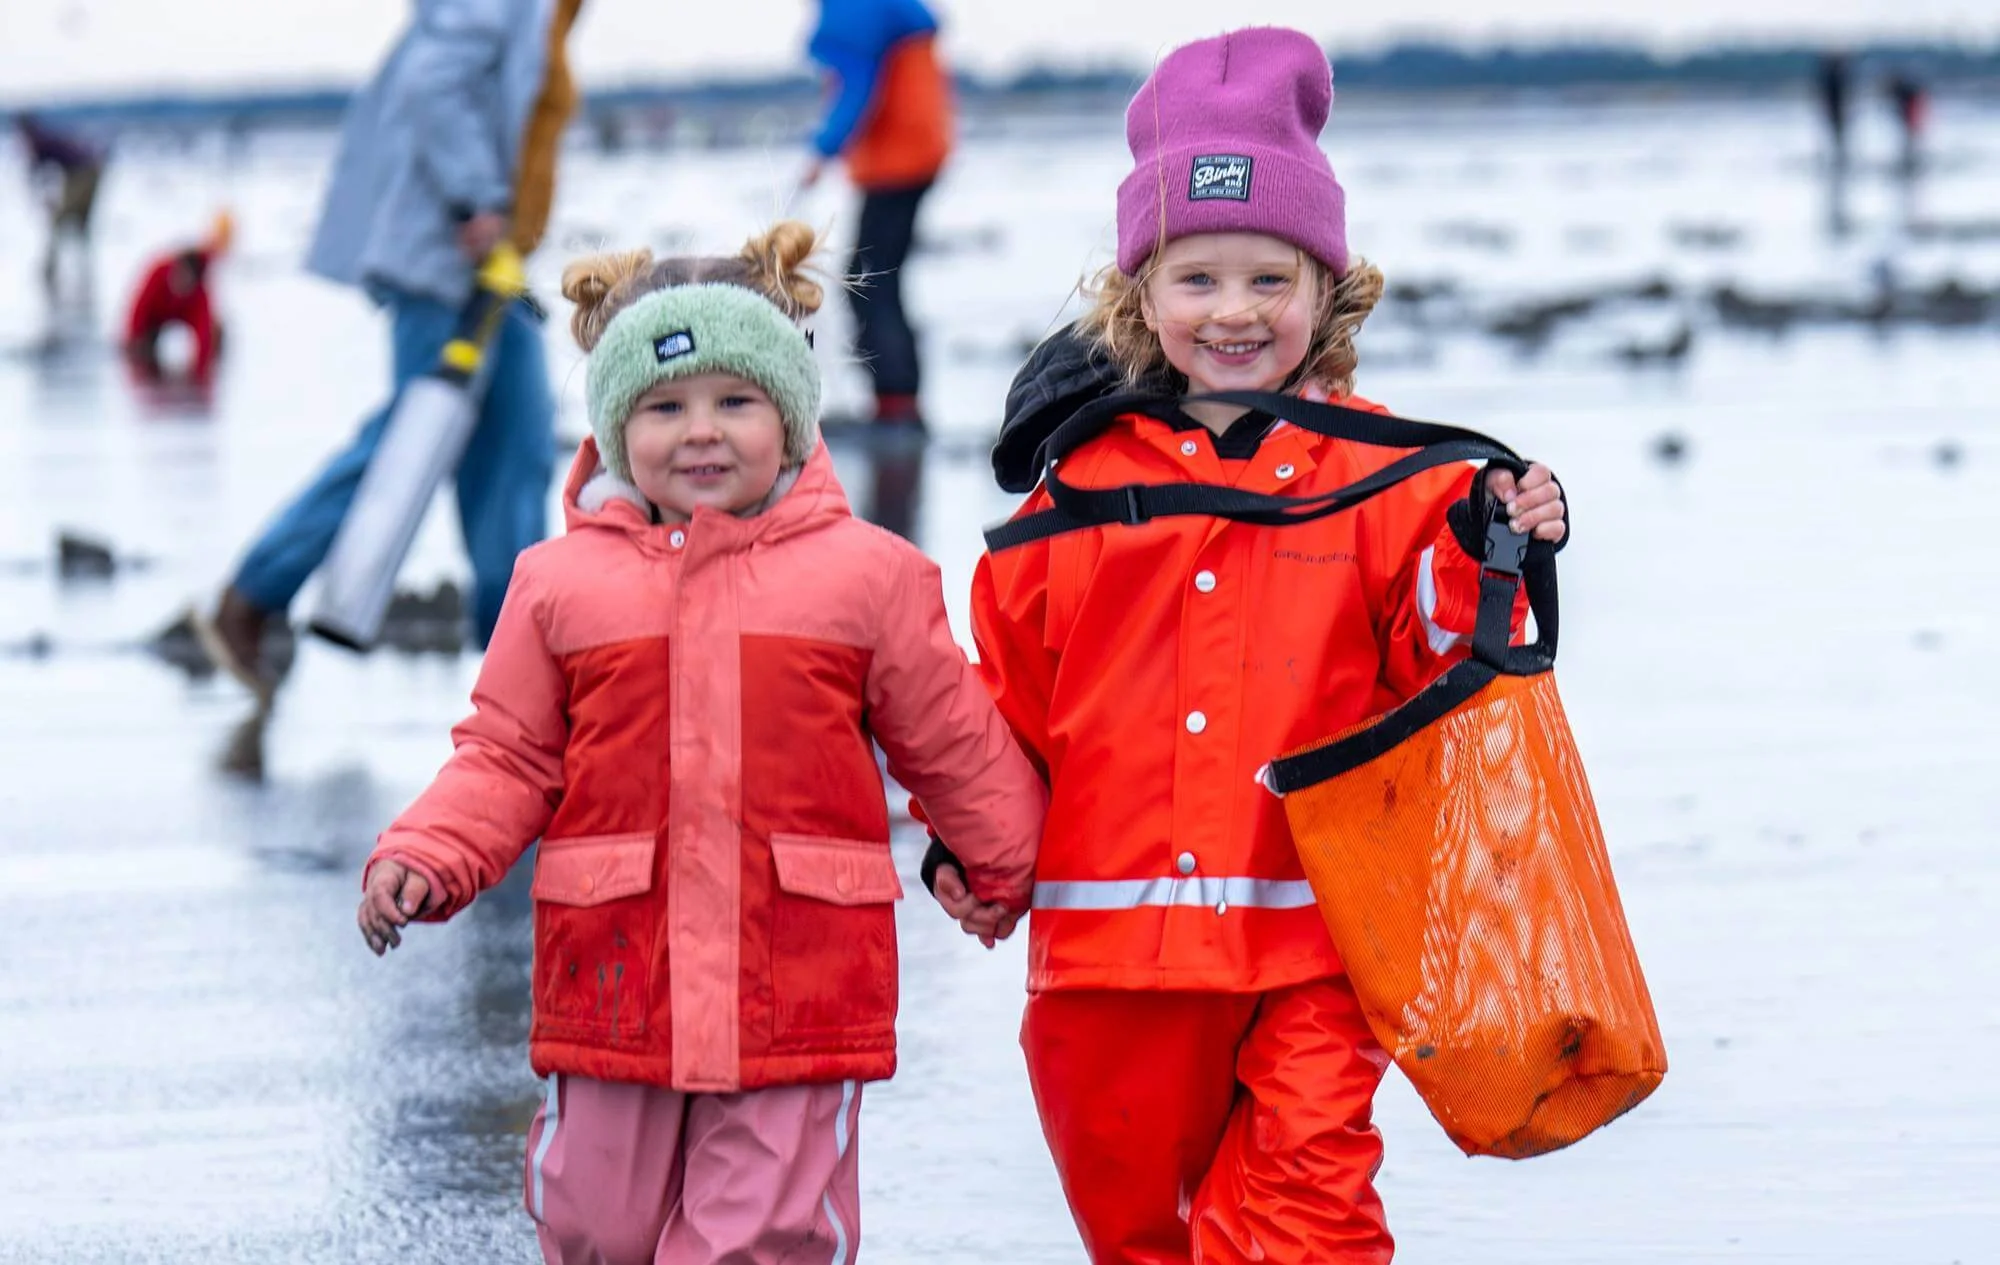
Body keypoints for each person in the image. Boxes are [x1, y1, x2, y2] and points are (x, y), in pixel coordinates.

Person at [926, 28, 1571, 1263]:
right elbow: (1001, 709)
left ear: (1325, 289)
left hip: (1322, 939)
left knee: (1306, 1217)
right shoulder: (1070, 499)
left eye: (1270, 279)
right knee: (1143, 1233)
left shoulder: (1395, 478)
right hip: (1105, 953)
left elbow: (1453, 671)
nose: (1234, 312)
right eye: (1197, 279)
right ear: (1139, 294)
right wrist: (970, 847)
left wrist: (1501, 541)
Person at [355, 221, 1046, 1265]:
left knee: (757, 1231)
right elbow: (506, 753)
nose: (701, 433)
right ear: (616, 423)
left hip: (798, 975)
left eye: (736, 401)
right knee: (594, 1221)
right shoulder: (557, 584)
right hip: (615, 974)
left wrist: (1005, 860)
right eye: (665, 407)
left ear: (792, 413)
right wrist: (426, 851)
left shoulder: (867, 576)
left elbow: (946, 736)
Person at [192, 0, 586, 697]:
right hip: (444, 264)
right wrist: (475, 200)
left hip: (497, 270)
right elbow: (431, 84)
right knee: (410, 441)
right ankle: (252, 595)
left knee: (515, 455)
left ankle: (526, 667)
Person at [801, 0, 953, 431]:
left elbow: (855, 83)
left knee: (869, 278)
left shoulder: (855, 6)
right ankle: (896, 397)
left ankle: (896, 401)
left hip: (898, 158)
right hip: (915, 150)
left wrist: (823, 149)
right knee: (875, 274)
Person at [123, 211, 233, 383]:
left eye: (187, 282)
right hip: (154, 319)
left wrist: (202, 371)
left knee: (218, 334)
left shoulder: (200, 294)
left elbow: (203, 332)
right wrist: (132, 339)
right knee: (139, 352)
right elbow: (139, 309)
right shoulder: (158, 272)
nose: (181, 284)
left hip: (184, 316)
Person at [13, 113, 106, 296]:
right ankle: (84, 270)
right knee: (77, 222)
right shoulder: (44, 139)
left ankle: (50, 270)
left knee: (60, 220)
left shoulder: (38, 142)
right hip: (85, 171)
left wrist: (43, 199)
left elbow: (36, 175)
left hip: (83, 173)